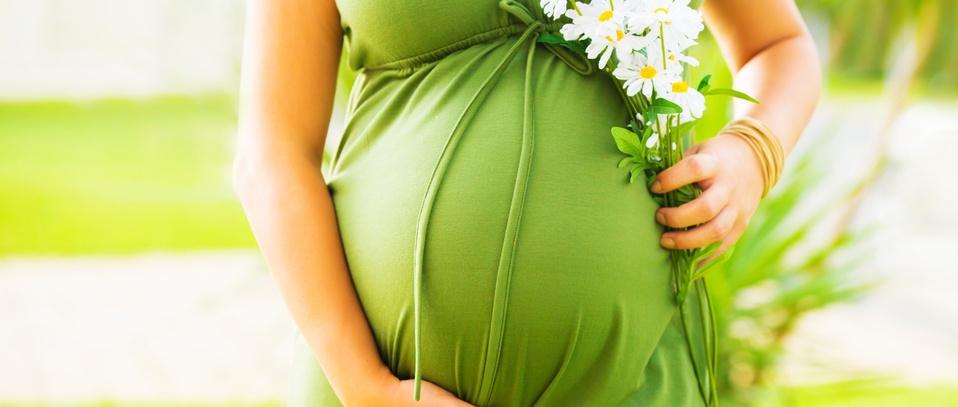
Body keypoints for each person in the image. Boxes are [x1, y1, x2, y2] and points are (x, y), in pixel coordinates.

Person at [232, 0, 820, 405]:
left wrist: (754, 149)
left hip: (638, 378)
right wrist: (363, 386)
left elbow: (781, 44)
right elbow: (273, 151)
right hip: (373, 379)